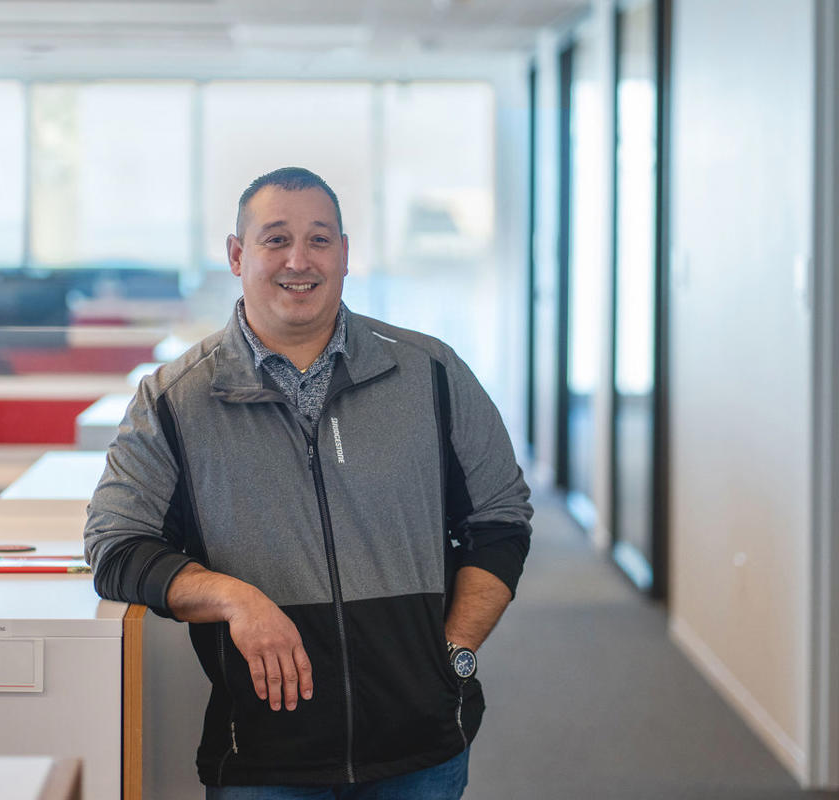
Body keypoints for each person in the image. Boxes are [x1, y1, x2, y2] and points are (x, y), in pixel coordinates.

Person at [85, 166, 533, 799]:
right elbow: (116, 545)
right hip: (267, 757)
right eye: (275, 239)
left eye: (320, 239)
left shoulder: (429, 372)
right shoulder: (173, 401)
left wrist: (453, 654)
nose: (300, 259)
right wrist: (237, 600)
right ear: (237, 256)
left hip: (421, 750)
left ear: (345, 255)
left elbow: (500, 516)